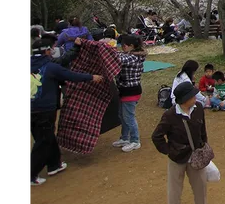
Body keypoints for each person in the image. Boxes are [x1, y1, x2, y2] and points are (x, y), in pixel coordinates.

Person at [27, 38, 104, 186]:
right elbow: (71, 76)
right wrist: (91, 77)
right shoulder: (50, 67)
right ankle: (30, 174)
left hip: (29, 109)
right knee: (43, 142)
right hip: (44, 110)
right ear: (47, 51)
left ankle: (54, 164)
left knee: (46, 137)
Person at [151, 81, 209, 204]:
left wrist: (204, 146)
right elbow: (156, 136)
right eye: (192, 96)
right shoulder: (170, 115)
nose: (195, 98)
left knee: (201, 190)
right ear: (184, 99)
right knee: (174, 192)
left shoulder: (198, 108)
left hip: (196, 157)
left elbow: (202, 130)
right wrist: (169, 151)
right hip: (177, 159)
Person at [113, 34, 147, 153]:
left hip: (131, 91)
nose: (122, 48)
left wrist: (108, 51)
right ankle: (125, 138)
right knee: (123, 115)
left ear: (132, 46)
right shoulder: (132, 55)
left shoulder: (133, 58)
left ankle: (135, 140)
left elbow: (119, 59)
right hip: (125, 90)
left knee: (128, 117)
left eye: (124, 46)